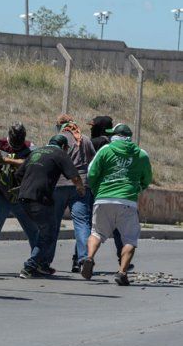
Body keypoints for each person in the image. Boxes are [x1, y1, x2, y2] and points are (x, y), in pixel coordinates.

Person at [81, 124, 152, 286]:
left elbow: (92, 172)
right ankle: (122, 272)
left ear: (116, 135)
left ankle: (90, 257)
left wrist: (96, 189)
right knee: (130, 239)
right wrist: (138, 188)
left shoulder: (105, 150)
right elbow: (147, 178)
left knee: (96, 232)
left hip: (103, 198)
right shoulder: (141, 154)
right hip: (127, 201)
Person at [16, 135, 83, 278]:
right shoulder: (60, 154)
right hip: (39, 199)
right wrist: (81, 188)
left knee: (44, 231)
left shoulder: (36, 152)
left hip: (23, 198)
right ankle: (30, 265)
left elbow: (19, 173)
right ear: (64, 147)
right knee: (49, 233)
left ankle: (42, 264)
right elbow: (75, 176)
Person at [48, 115, 96, 274]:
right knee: (82, 224)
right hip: (81, 185)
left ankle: (45, 260)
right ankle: (84, 259)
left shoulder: (57, 139)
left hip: (59, 184)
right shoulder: (85, 140)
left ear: (60, 125)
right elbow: (93, 163)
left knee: (53, 225)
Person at [0, 123, 39, 248]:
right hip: (0, 194)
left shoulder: (30, 147)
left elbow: (30, 163)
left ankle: (38, 261)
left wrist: (5, 160)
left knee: (34, 230)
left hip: (20, 195)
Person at [88, 116, 129, 268]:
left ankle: (82, 258)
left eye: (93, 126)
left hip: (99, 191)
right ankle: (122, 258)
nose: (91, 129)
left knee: (92, 227)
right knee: (119, 227)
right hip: (116, 193)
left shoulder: (100, 144)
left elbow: (92, 169)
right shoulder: (114, 144)